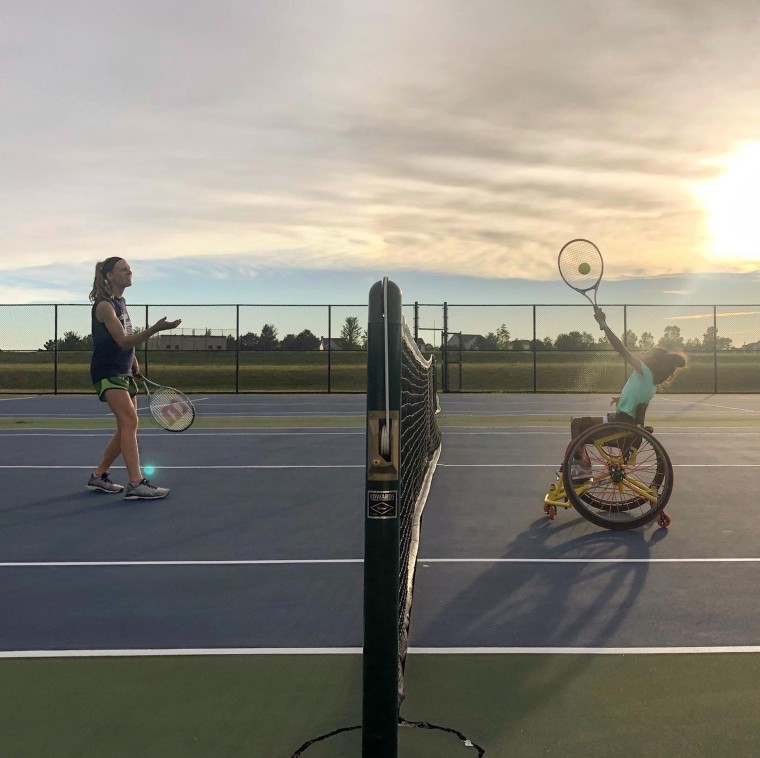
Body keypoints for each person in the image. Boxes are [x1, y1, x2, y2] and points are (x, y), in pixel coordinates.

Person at [86, 257, 181, 499]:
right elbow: (123, 340)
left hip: (124, 370)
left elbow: (126, 337)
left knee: (126, 427)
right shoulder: (104, 306)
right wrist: (155, 330)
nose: (129, 271)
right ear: (109, 275)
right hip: (107, 371)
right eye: (123, 269)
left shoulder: (121, 302)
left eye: (129, 268)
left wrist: (134, 362)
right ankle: (136, 483)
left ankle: (98, 476)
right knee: (130, 423)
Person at [569, 306, 687, 480]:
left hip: (618, 425)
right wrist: (622, 398)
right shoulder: (651, 384)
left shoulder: (643, 371)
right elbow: (636, 398)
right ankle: (581, 464)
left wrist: (603, 324)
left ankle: (582, 467)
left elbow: (621, 349)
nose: (645, 354)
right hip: (629, 431)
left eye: (649, 353)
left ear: (653, 360)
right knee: (580, 429)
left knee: (577, 425)